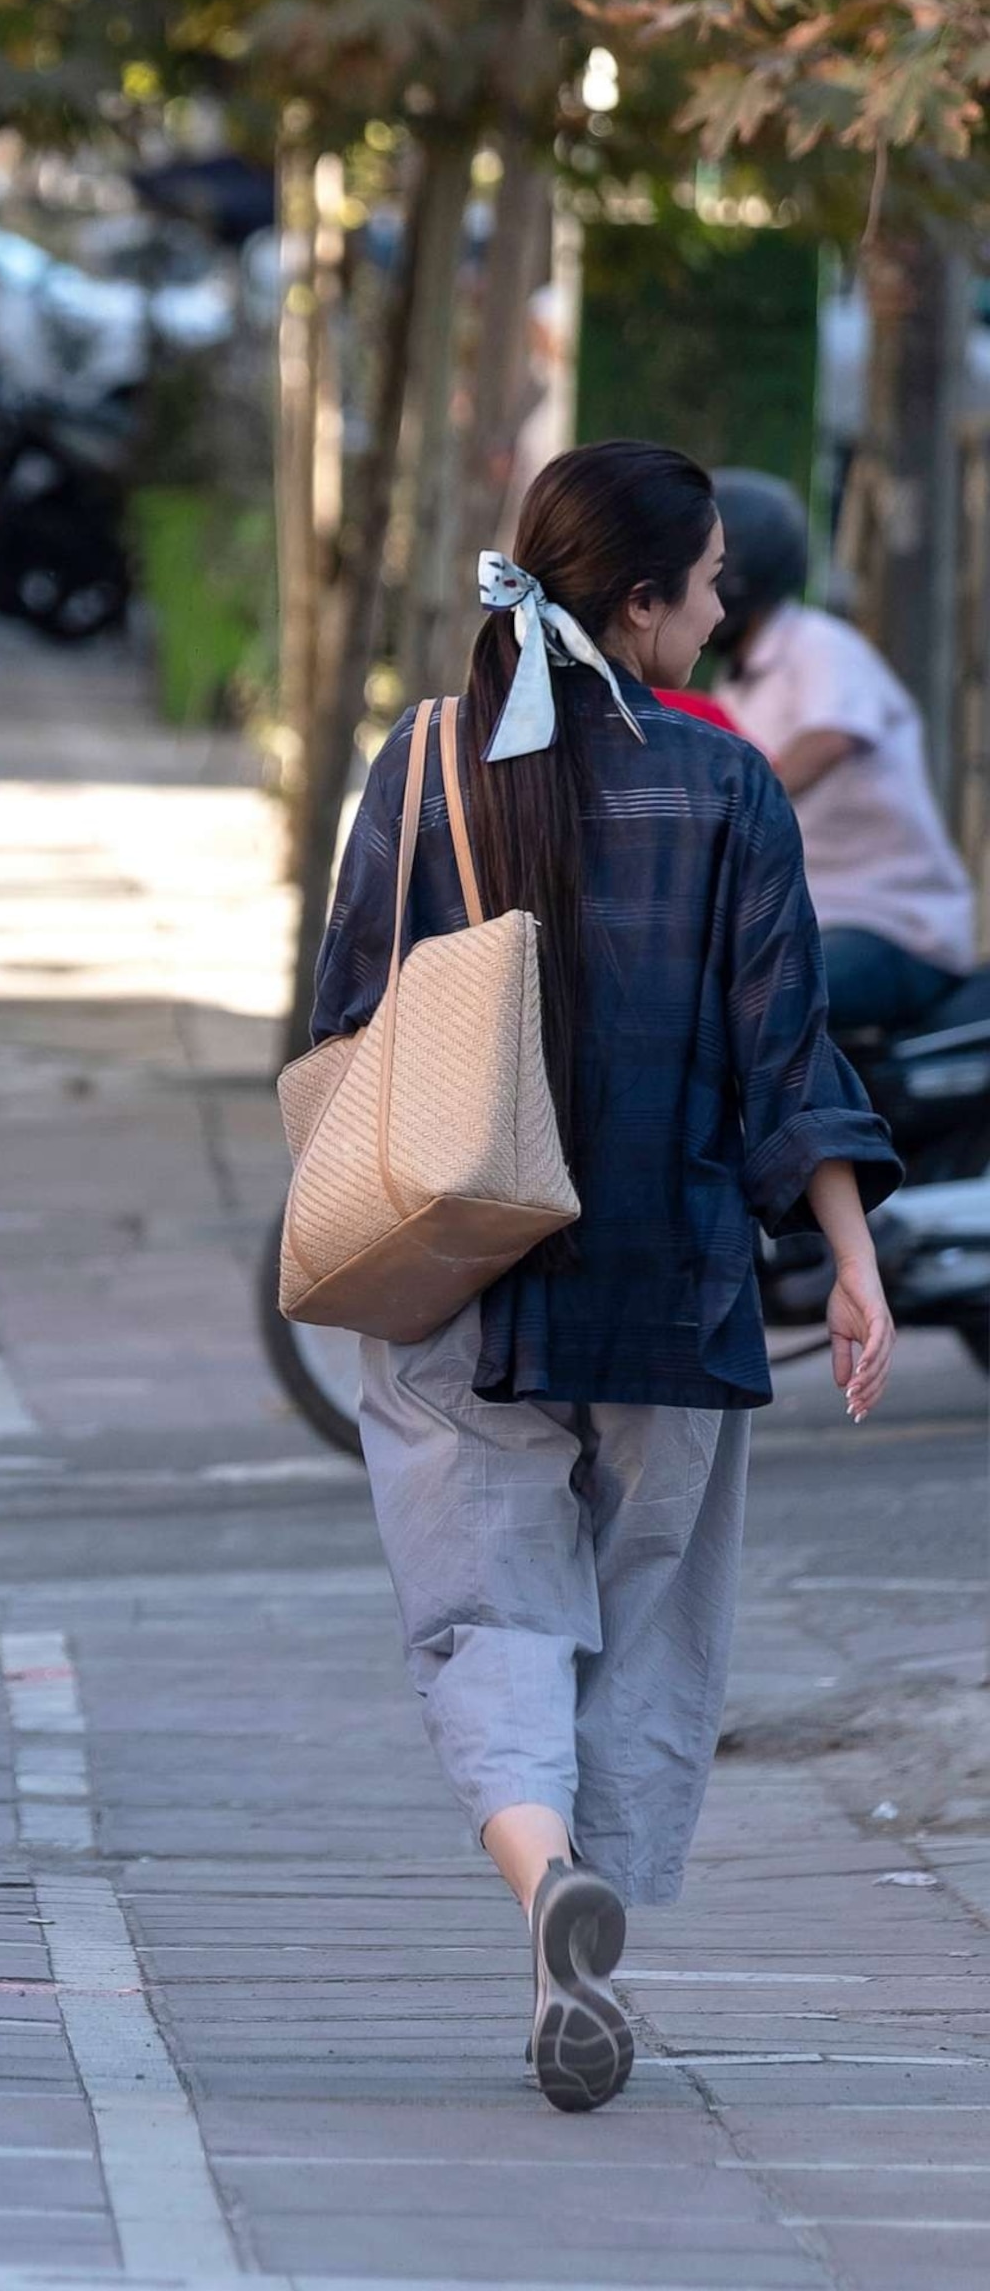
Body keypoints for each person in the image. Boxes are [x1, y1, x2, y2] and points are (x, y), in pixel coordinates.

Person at [311, 441, 901, 2114]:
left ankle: (538, 1872)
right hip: (676, 1280)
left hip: (456, 1272)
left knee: (482, 1615)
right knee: (650, 1632)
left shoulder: (420, 761)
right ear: (637, 602)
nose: (721, 613)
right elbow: (784, 1053)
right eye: (706, 584)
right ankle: (586, 1927)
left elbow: (349, 1016)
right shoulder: (728, 789)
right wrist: (850, 1264)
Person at [708, 468, 977, 1034]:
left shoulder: (818, 645)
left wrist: (739, 806)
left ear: (736, 577)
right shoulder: (735, 684)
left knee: (763, 1002)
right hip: (809, 921)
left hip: (892, 925)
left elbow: (830, 737)